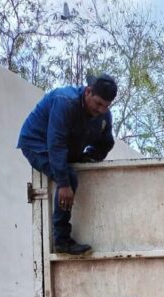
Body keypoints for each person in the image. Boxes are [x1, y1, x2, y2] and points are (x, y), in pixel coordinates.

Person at [17, 73, 118, 255]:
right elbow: (56, 143)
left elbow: (107, 142)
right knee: (69, 176)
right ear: (88, 92)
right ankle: (62, 240)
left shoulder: (104, 117)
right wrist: (63, 184)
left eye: (106, 106)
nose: (101, 110)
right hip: (37, 144)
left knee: (73, 168)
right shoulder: (64, 101)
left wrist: (90, 157)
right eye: (98, 104)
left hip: (67, 148)